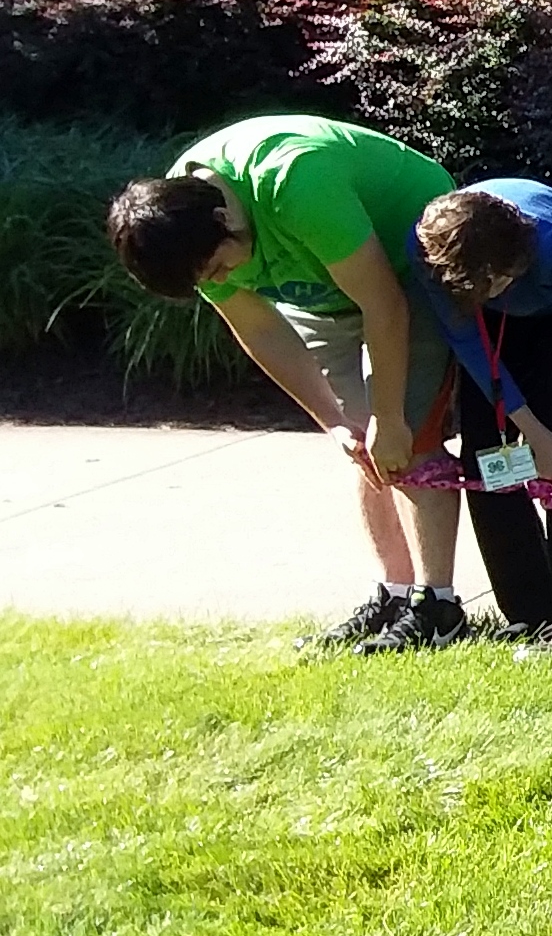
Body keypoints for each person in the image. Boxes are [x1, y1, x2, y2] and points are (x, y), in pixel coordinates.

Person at [107, 115, 465, 651]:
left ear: (225, 216)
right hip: (321, 288)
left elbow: (383, 304)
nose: (223, 282)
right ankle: (394, 594)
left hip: (411, 264)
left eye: (220, 267)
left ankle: (440, 607)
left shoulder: (297, 182)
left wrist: (390, 419)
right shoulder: (177, 231)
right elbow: (258, 328)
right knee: (366, 446)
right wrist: (336, 423)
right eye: (209, 281)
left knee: (407, 436)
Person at [407, 181, 552, 646]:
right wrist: (530, 432)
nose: (495, 293)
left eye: (499, 284)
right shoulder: (430, 251)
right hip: (487, 328)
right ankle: (527, 612)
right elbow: (469, 342)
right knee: (487, 459)